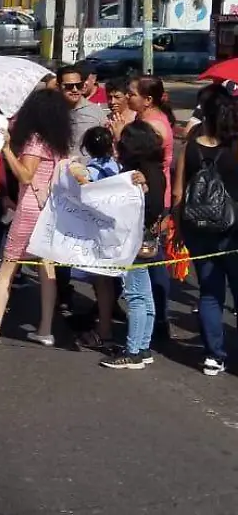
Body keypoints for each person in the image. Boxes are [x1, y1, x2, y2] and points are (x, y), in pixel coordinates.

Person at [0, 88, 73, 347]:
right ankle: (45, 329)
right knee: (47, 269)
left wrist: (7, 150)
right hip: (50, 209)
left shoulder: (35, 140)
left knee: (7, 268)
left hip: (30, 208)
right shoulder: (58, 143)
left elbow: (25, 176)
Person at [173, 88, 238, 376]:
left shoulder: (191, 145)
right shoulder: (234, 145)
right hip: (233, 229)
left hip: (197, 227)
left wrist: (177, 227)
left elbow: (178, 192)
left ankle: (214, 355)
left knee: (210, 293)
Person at [99, 121, 165, 370]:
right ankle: (143, 346)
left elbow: (150, 205)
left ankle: (133, 351)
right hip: (146, 238)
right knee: (144, 295)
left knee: (135, 295)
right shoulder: (153, 168)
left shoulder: (142, 173)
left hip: (135, 239)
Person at [54, 65, 107, 312]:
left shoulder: (96, 113)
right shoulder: (52, 112)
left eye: (79, 85)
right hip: (61, 188)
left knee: (96, 247)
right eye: (69, 86)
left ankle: (105, 300)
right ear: (60, 87)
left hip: (90, 187)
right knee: (62, 244)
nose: (75, 90)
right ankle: (62, 293)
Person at [127, 75, 175, 338]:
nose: (128, 96)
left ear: (148, 99)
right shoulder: (143, 119)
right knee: (147, 258)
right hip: (141, 195)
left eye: (132, 93)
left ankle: (157, 319)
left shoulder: (155, 125)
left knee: (152, 257)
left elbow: (149, 165)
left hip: (153, 198)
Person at [70, 126, 124, 350]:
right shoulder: (118, 167)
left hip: (97, 232)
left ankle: (104, 331)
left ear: (86, 149)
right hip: (115, 230)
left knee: (101, 282)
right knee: (109, 282)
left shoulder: (91, 170)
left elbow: (82, 186)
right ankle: (106, 323)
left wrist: (72, 166)